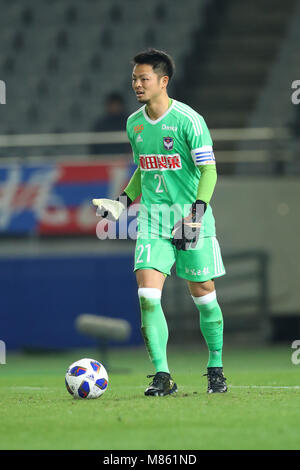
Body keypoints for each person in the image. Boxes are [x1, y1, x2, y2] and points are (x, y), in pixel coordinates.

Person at [92, 49, 227, 395]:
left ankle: (215, 367)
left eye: (143, 78)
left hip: (190, 218)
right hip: (153, 221)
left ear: (163, 81)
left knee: (204, 296)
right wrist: (121, 204)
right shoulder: (134, 123)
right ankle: (162, 376)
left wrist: (195, 216)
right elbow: (143, 169)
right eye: (134, 79)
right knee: (148, 295)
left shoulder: (189, 120)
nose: (136, 84)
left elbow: (209, 170)